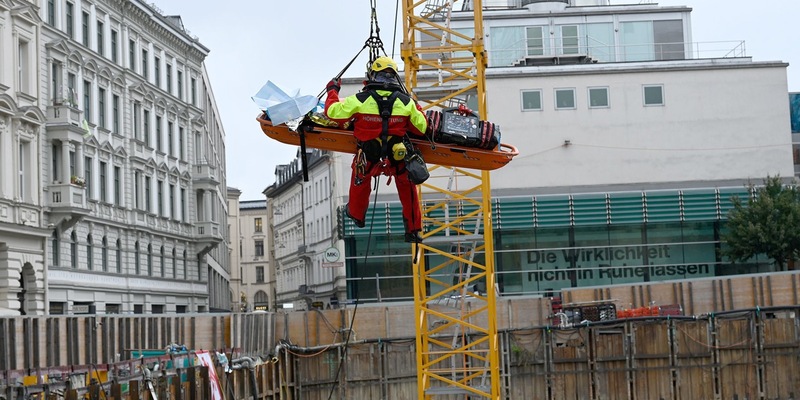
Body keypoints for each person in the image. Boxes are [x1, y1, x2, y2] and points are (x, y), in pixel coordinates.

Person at [324, 56, 428, 243]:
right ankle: (413, 230)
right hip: (397, 154)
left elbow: (332, 113)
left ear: (372, 75)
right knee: (408, 187)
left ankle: (357, 215)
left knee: (360, 179)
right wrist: (416, 106)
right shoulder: (406, 102)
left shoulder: (360, 99)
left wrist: (332, 90)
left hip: (369, 153)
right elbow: (421, 127)